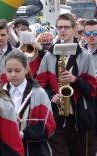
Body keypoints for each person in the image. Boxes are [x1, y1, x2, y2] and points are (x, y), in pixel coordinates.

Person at [37, 13, 96, 156]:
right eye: (59, 27)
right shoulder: (49, 55)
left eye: (66, 27)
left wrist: (76, 80)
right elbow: (39, 85)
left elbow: (93, 89)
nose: (62, 30)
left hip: (80, 118)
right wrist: (51, 95)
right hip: (57, 117)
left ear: (75, 29)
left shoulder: (85, 55)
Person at [4, 50, 56, 155]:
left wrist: (22, 134)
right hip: (6, 149)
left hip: (33, 150)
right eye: (9, 71)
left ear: (27, 69)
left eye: (17, 70)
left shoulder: (39, 93)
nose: (13, 75)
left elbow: (48, 126)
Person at [74, 18, 97, 155]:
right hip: (88, 101)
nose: (92, 36)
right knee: (89, 143)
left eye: (95, 32)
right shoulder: (80, 53)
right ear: (84, 35)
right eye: (88, 33)